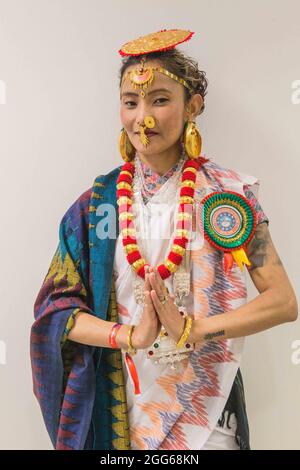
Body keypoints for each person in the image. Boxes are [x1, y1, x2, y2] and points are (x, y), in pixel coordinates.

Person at [30, 29, 298, 451]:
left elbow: (282, 301)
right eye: (131, 102)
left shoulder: (227, 199)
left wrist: (194, 328)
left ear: (192, 106)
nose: (144, 118)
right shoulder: (98, 206)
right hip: (121, 413)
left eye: (160, 99)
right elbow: (56, 313)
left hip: (207, 417)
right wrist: (130, 335)